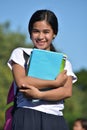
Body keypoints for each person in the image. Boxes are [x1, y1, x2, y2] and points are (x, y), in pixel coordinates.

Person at [7, 9, 77, 130]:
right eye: (36, 31)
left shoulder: (64, 62)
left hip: (55, 119)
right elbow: (22, 82)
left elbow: (66, 92)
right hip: (27, 116)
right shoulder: (21, 53)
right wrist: (55, 83)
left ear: (54, 33)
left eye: (46, 32)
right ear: (30, 33)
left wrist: (39, 94)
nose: (40, 36)